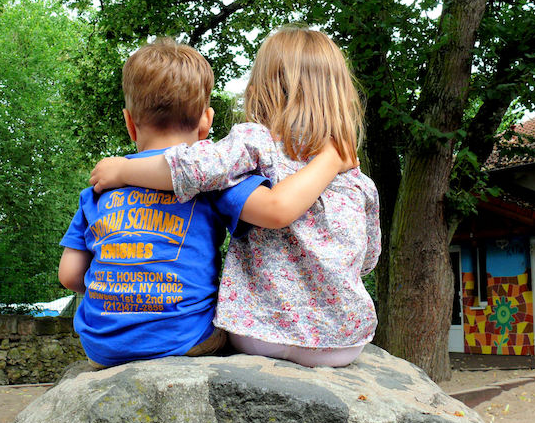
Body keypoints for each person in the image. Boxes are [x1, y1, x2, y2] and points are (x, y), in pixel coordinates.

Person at [89, 27, 380, 367]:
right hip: (343, 343)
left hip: (259, 335)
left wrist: (124, 172)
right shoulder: (359, 182)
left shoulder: (255, 142)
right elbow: (368, 260)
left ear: (257, 94)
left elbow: (193, 167)